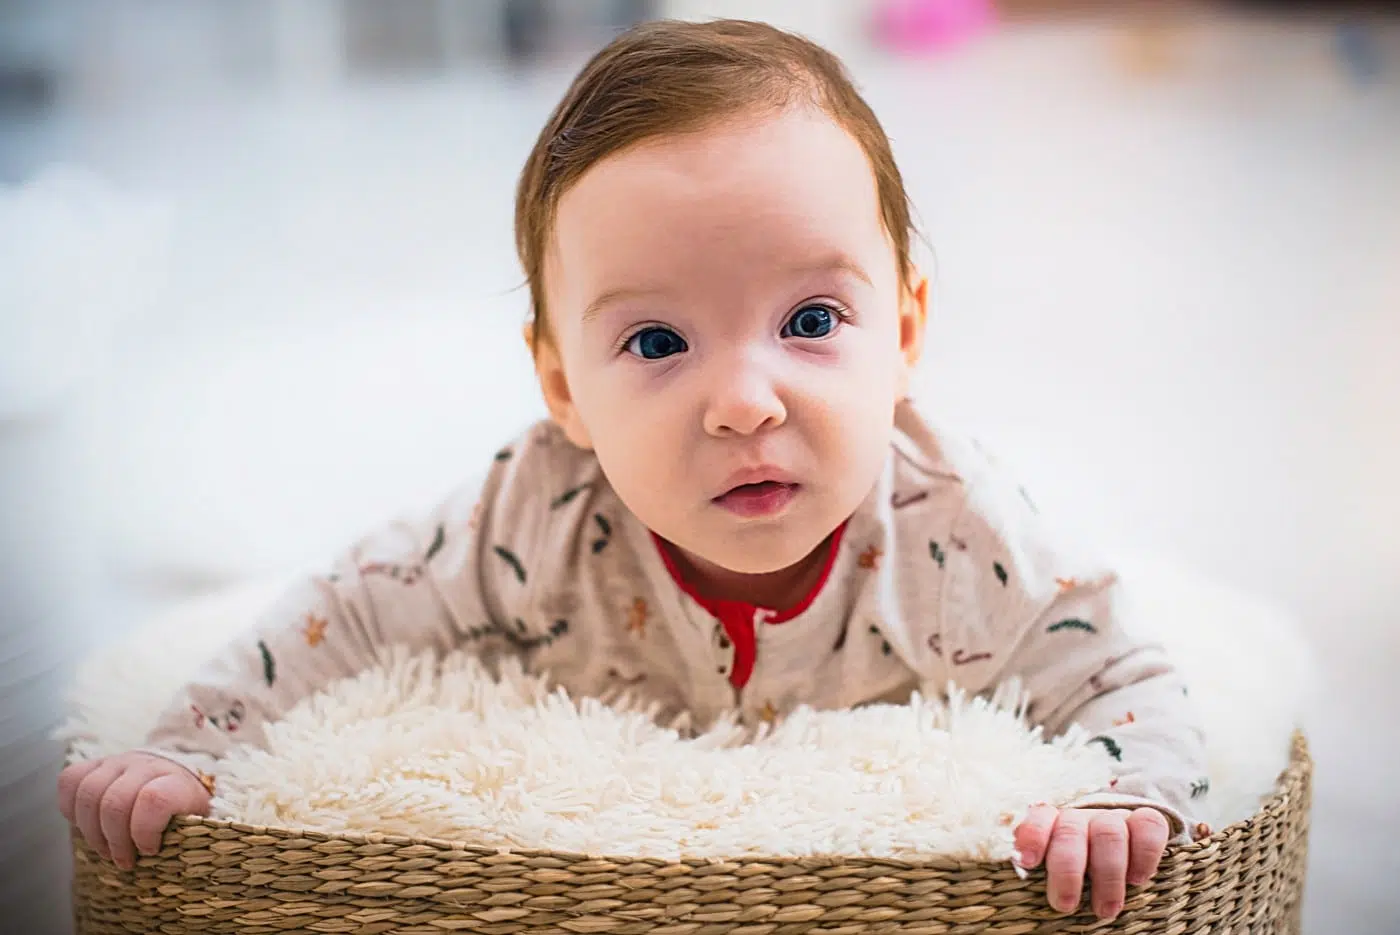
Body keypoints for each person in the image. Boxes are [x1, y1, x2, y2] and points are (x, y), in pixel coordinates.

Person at [58, 19, 1207, 922]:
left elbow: (1125, 675)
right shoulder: (530, 512)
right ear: (562, 388)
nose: (745, 400)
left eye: (810, 317)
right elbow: (342, 614)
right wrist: (189, 743)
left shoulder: (955, 531)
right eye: (655, 343)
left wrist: (1119, 794)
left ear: (903, 331)